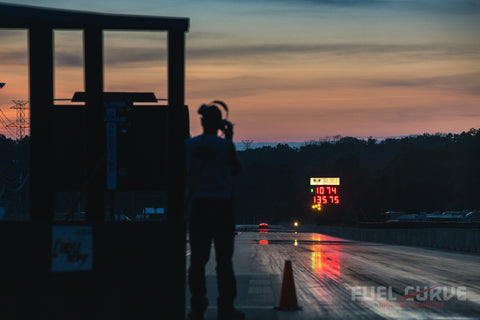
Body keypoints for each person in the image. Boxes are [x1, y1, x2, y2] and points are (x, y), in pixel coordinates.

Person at [185, 102, 244, 320]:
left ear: (201, 122)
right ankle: (225, 307)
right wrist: (228, 138)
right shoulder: (224, 146)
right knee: (224, 261)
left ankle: (197, 307)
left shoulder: (188, 146)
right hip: (222, 206)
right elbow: (236, 169)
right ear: (220, 123)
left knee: (198, 261)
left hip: (198, 206)